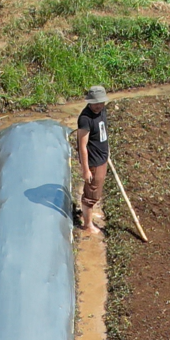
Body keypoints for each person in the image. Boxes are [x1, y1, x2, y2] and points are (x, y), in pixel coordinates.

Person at [74, 86, 110, 237]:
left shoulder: (102, 111)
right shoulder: (85, 119)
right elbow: (82, 146)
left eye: (101, 103)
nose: (99, 106)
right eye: (96, 103)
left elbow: (103, 132)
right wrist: (86, 169)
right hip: (94, 161)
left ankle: (88, 214)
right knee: (91, 194)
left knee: (96, 191)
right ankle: (87, 225)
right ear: (89, 102)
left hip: (102, 157)